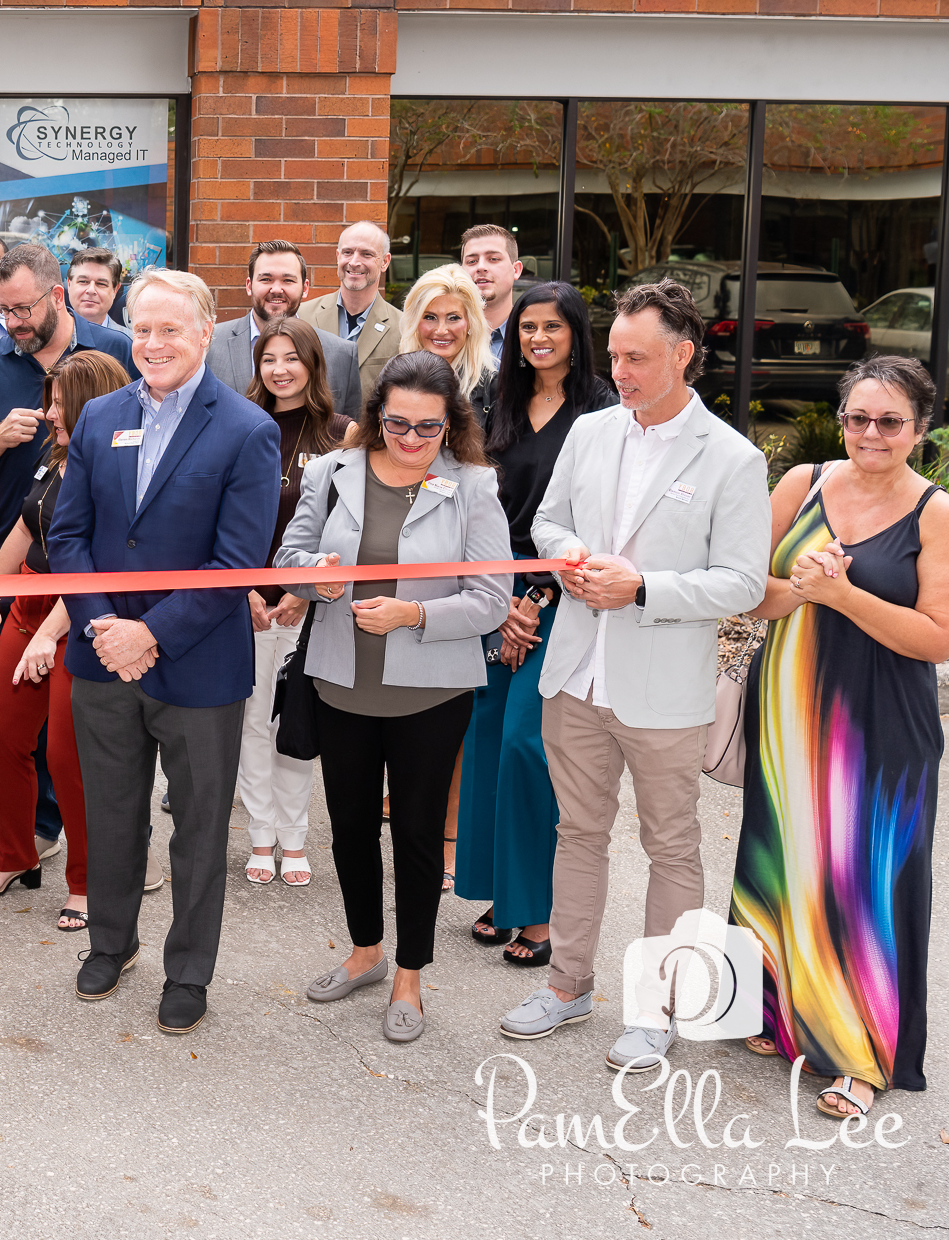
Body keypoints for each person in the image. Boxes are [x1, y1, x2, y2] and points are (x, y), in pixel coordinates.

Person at [498, 279, 771, 1073]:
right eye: (615, 355)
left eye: (636, 358)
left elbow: (742, 583)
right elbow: (547, 521)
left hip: (662, 690)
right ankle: (567, 984)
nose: (618, 371)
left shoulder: (732, 458)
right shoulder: (591, 431)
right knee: (577, 833)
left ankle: (658, 1009)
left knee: (671, 847)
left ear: (683, 355)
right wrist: (572, 558)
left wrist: (643, 587)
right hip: (576, 675)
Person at [48, 268, 280, 1036]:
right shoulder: (99, 417)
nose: (152, 344)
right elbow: (68, 537)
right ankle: (111, 944)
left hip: (199, 664)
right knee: (112, 816)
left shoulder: (247, 430)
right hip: (102, 659)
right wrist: (104, 627)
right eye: (142, 329)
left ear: (205, 333)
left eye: (169, 329)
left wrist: (150, 633)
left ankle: (188, 971)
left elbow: (236, 563)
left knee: (200, 832)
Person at [733, 356, 949, 1119]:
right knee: (787, 854)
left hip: (883, 723)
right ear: (841, 421)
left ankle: (860, 1058)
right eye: (858, 418)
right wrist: (798, 589)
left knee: (867, 877)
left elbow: (938, 637)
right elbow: (750, 594)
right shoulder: (801, 485)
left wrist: (841, 594)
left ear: (919, 429)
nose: (872, 433)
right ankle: (778, 1015)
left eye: (890, 421)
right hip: (790, 708)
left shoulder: (935, 512)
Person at [280, 351, 511, 1045]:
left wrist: (414, 615)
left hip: (431, 695)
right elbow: (289, 557)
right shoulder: (331, 472)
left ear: (452, 423)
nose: (412, 439)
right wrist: (314, 577)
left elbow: (491, 600)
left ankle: (410, 973)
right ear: (378, 415)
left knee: (415, 834)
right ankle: (365, 952)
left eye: (428, 428)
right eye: (398, 424)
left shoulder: (474, 486)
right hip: (341, 682)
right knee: (349, 828)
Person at [453, 282, 615, 965]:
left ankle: (540, 914)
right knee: (487, 738)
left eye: (552, 327)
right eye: (527, 327)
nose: (538, 338)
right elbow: (470, 500)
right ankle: (503, 894)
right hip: (490, 589)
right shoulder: (494, 400)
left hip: (563, 594)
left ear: (576, 334)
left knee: (527, 744)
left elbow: (600, 517)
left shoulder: (602, 411)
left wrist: (536, 598)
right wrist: (497, 598)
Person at [0, 349, 129, 933]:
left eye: (62, 403)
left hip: (78, 620)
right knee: (0, 734)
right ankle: (15, 856)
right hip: (28, 609)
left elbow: (95, 563)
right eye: (50, 400)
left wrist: (45, 632)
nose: (49, 413)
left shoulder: (117, 470)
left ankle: (87, 883)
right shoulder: (53, 454)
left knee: (68, 756)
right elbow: (23, 525)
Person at [237, 319, 352, 889]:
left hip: (310, 606)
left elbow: (347, 528)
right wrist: (246, 591)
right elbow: (224, 521)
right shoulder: (240, 426)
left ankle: (295, 836)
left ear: (313, 364)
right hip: (248, 605)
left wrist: (301, 593)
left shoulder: (343, 434)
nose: (279, 370)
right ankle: (261, 833)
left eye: (292, 358)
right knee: (253, 723)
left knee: (295, 724)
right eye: (268, 358)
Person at [0, 243, 137, 558]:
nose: (12, 322)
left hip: (96, 554)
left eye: (23, 309)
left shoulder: (118, 352)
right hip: (5, 554)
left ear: (58, 297)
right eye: (4, 310)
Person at [204, 239, 363, 421]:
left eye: (288, 280)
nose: (276, 289)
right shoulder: (208, 345)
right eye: (266, 279)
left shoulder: (342, 354)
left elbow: (351, 433)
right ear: (249, 286)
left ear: (305, 288)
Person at [298, 220, 405, 392]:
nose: (354, 262)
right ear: (338, 256)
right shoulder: (302, 316)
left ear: (385, 262)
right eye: (347, 252)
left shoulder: (403, 328)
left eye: (366, 254)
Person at [398, 264, 495, 422]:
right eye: (430, 317)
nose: (441, 330)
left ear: (471, 322)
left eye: (453, 318)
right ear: (415, 322)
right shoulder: (396, 380)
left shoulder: (493, 388)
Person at [459, 224, 525, 369]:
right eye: (472, 261)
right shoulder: (445, 335)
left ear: (516, 270)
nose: (481, 267)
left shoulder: (532, 337)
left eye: (493, 259)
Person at [67, 247, 126, 328]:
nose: (91, 290)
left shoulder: (129, 336)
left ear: (115, 290)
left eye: (101, 284)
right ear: (69, 284)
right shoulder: (50, 335)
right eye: (83, 281)